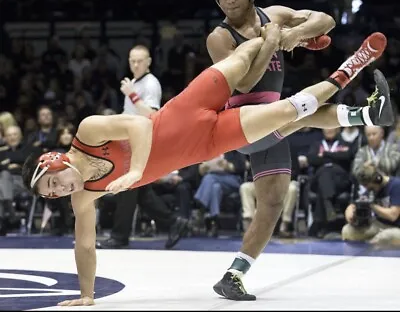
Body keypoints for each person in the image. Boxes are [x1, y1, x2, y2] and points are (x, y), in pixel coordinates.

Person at [22, 27, 388, 306]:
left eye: (52, 185)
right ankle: (351, 71)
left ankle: (287, 36)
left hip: (182, 110)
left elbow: (139, 125)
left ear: (54, 162)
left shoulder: (87, 132)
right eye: (50, 196)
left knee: (246, 56)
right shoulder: (83, 197)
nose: (57, 194)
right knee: (287, 113)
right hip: (204, 143)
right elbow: (84, 245)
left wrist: (135, 172)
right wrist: (87, 294)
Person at [207, 0, 393, 301]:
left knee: (273, 203)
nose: (230, 1)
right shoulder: (219, 38)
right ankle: (354, 71)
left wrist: (293, 34)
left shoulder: (272, 16)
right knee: (298, 112)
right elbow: (246, 81)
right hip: (242, 123)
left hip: (273, 126)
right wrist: (273, 41)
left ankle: (234, 274)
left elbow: (326, 21)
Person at [96, 44, 188, 250]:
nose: (135, 64)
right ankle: (174, 222)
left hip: (142, 141)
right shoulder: (136, 82)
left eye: (139, 61)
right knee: (140, 191)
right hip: (131, 140)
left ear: (148, 62)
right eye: (132, 60)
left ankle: (120, 236)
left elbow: (152, 115)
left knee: (128, 187)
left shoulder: (150, 83)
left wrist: (131, 95)